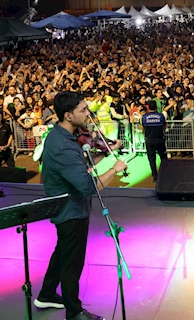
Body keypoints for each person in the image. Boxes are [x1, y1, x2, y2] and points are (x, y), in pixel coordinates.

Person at [36, 91, 128, 320]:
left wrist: (106, 153)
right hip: (71, 211)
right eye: (83, 110)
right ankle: (74, 312)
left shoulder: (63, 136)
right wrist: (114, 169)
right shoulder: (64, 146)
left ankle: (47, 294)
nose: (88, 114)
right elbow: (88, 186)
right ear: (68, 115)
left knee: (63, 253)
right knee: (72, 264)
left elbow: (80, 165)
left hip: (69, 208)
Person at [142, 101, 167, 182]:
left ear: (148, 107)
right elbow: (164, 126)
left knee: (152, 159)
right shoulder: (161, 116)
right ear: (156, 107)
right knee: (163, 157)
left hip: (149, 140)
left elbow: (143, 128)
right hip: (160, 139)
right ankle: (164, 174)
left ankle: (155, 176)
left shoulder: (144, 117)